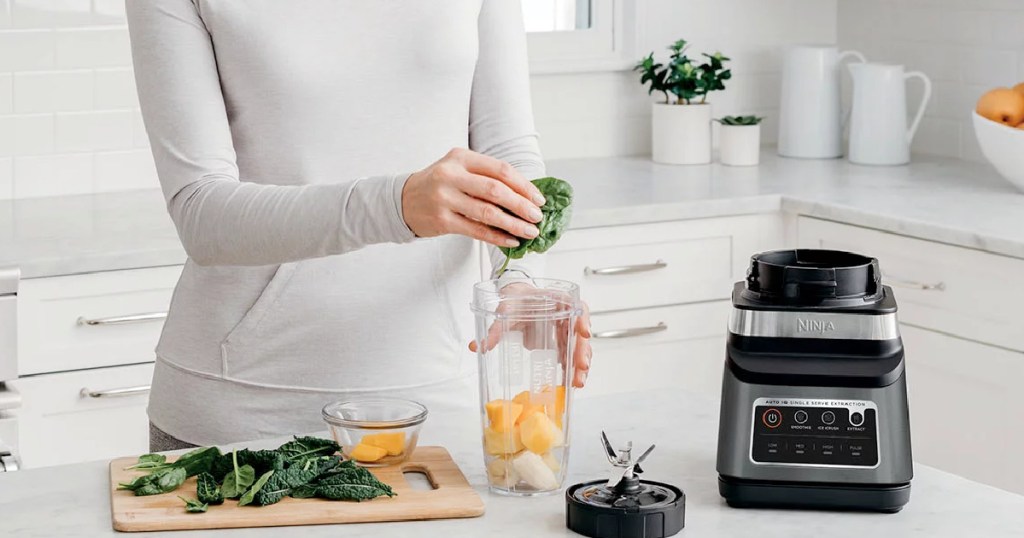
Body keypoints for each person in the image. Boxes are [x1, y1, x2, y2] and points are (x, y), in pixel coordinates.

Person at [127, 0, 592, 451]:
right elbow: (202, 213)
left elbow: (507, 155)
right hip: (240, 414)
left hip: (436, 405)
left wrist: (518, 278)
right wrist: (397, 206)